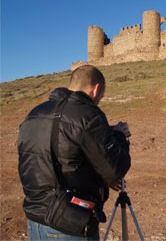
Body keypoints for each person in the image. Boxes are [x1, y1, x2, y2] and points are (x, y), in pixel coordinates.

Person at [18, 65, 131, 240]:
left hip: (36, 221)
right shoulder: (88, 114)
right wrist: (119, 136)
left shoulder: (35, 114)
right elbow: (115, 169)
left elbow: (57, 151)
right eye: (101, 94)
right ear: (96, 89)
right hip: (70, 223)